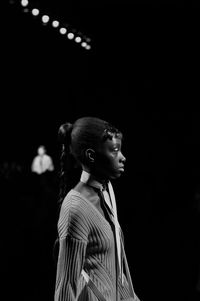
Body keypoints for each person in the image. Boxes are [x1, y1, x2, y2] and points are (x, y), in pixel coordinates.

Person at [54, 116, 140, 301]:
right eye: (114, 151)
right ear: (91, 155)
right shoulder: (76, 209)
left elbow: (115, 273)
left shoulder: (106, 192)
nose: (122, 157)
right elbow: (65, 288)